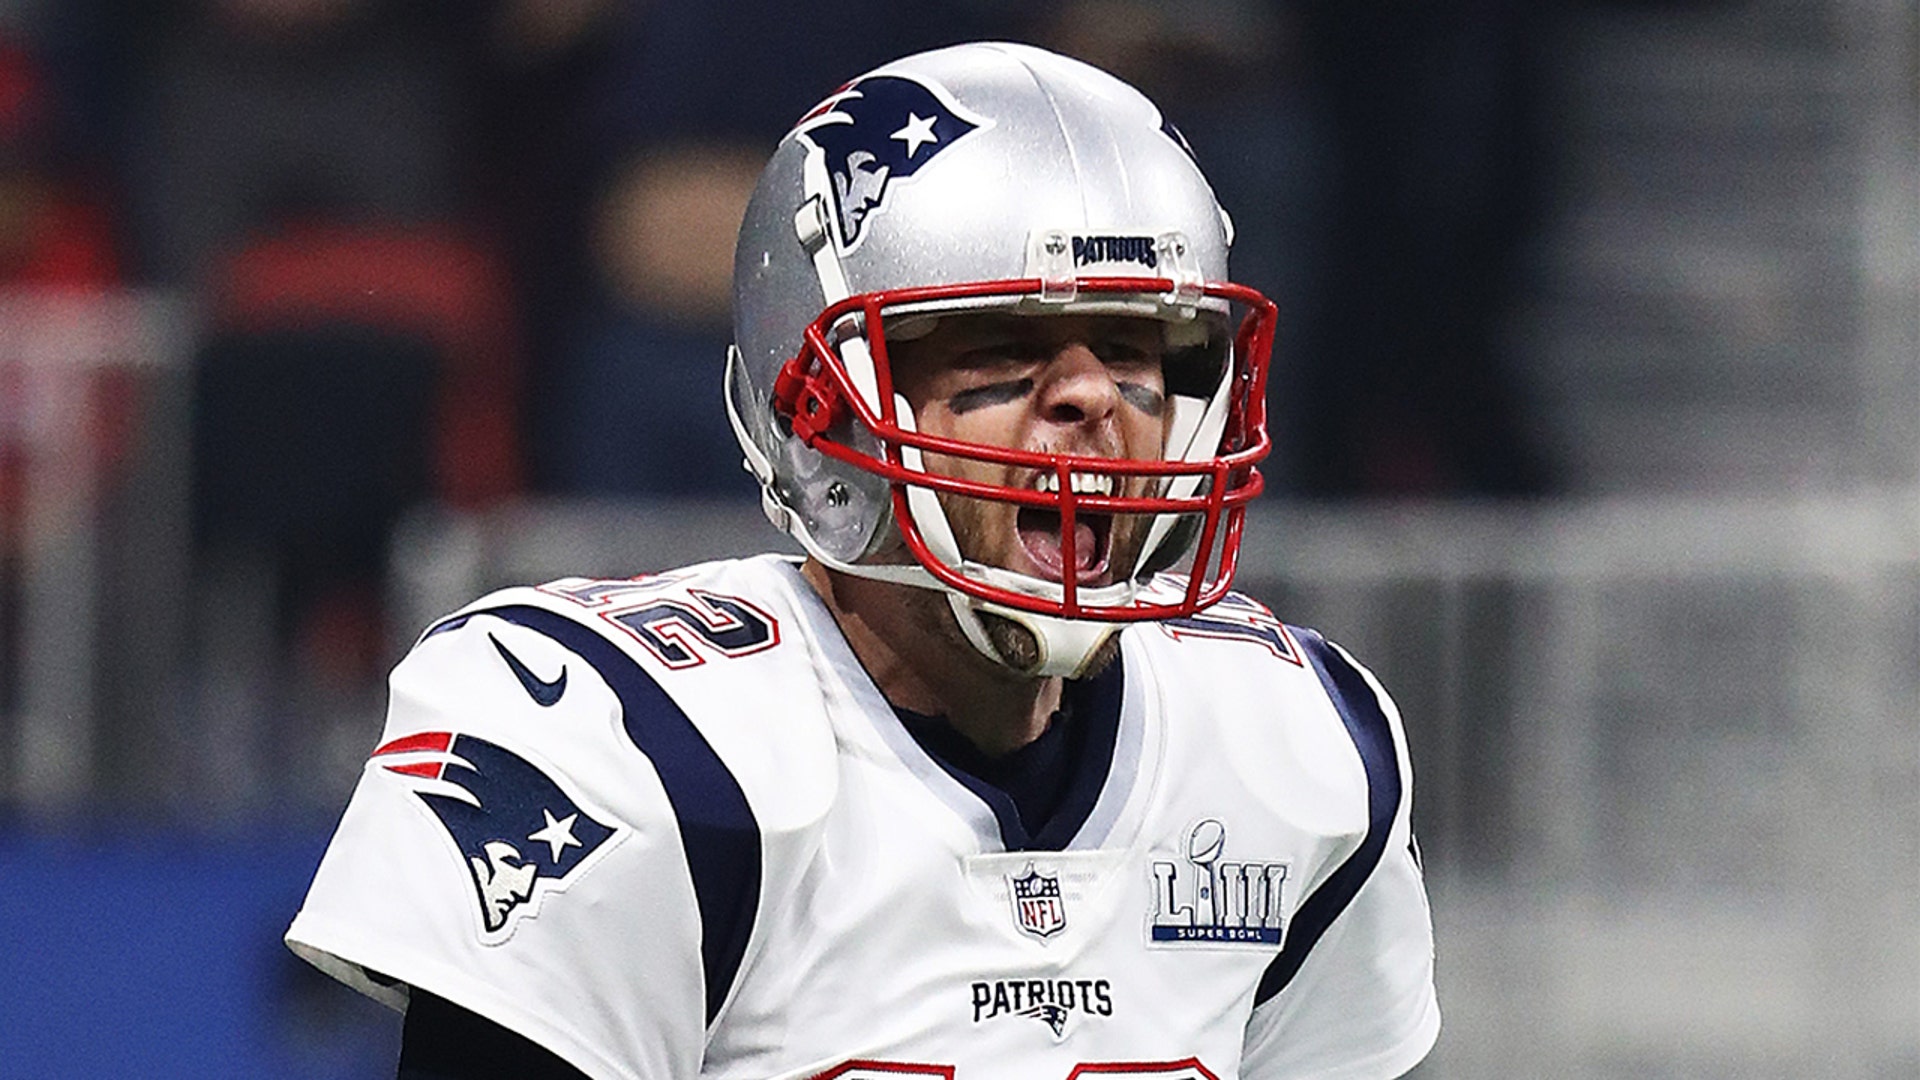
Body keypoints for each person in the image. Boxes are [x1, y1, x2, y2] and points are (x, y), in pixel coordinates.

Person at [286, 42, 1439, 1080]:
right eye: (1000, 345)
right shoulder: (632, 750)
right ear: (818, 409)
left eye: (1141, 345)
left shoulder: (1296, 749)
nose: (1091, 397)